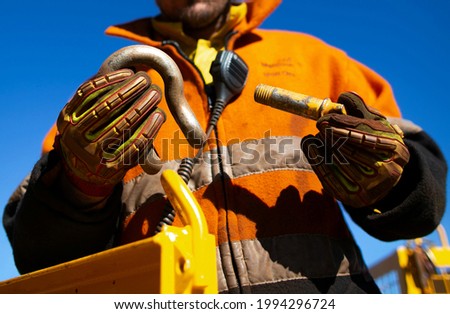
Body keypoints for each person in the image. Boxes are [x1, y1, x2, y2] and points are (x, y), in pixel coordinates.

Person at [3, 0, 447, 293]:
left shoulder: (316, 60)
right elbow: (39, 254)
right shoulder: (103, 98)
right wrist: (81, 183)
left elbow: (423, 205)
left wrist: (395, 179)